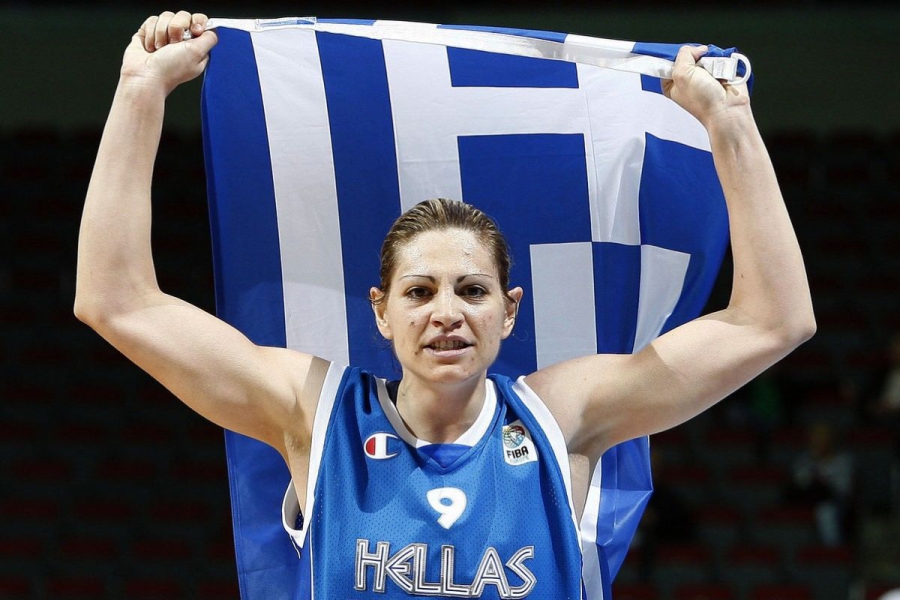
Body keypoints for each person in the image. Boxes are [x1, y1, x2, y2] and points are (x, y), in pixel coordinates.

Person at [74, 10, 816, 598]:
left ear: (510, 311)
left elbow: (774, 321)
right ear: (380, 311)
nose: (447, 312)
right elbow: (116, 302)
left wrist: (730, 127)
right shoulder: (315, 414)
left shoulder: (563, 417)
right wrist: (140, 92)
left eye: (472, 290)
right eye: (419, 291)